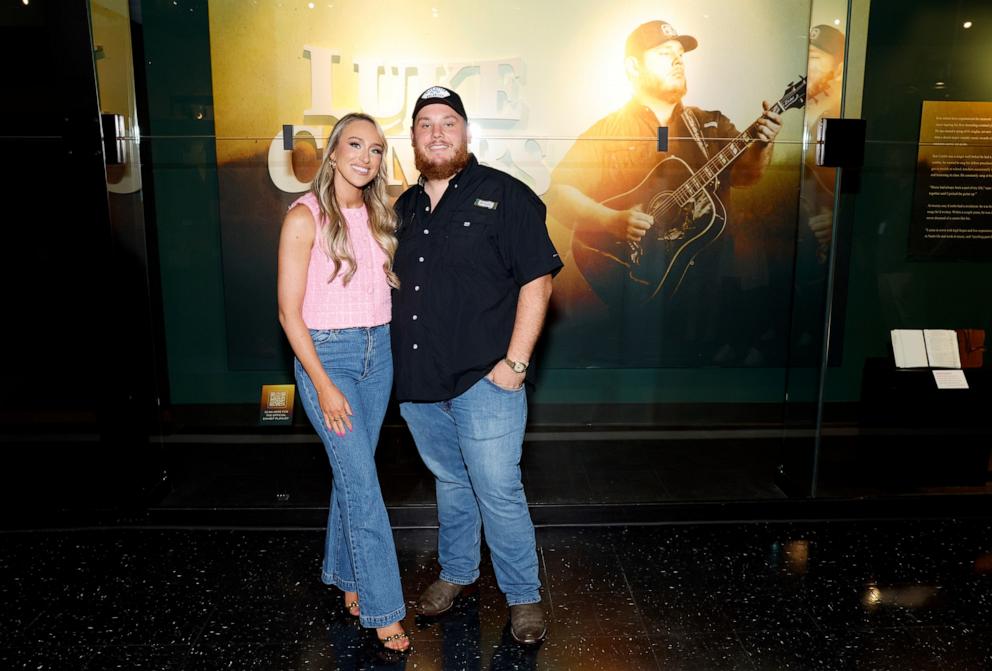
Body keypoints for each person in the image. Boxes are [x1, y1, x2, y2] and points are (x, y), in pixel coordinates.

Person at [391, 86, 562, 644]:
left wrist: (515, 362)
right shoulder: (403, 208)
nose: (436, 132)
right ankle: (457, 573)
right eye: (424, 124)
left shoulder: (506, 195)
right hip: (420, 382)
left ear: (467, 133)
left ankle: (524, 596)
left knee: (497, 488)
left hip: (487, 378)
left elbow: (538, 279)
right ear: (413, 138)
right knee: (450, 481)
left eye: (448, 122)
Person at [545, 19, 783, 365]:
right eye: (664, 53)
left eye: (680, 54)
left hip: (709, 304)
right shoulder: (608, 130)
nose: (678, 60)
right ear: (633, 66)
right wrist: (611, 220)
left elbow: (748, 175)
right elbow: (560, 191)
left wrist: (762, 146)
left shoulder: (710, 123)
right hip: (635, 293)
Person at [277, 112, 410, 652]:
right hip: (327, 358)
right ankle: (383, 608)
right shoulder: (304, 217)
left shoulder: (380, 215)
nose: (366, 157)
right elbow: (289, 313)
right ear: (332, 152)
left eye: (376, 150)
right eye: (355, 145)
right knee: (364, 487)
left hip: (379, 356)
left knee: (352, 477)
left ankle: (347, 578)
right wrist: (323, 384)